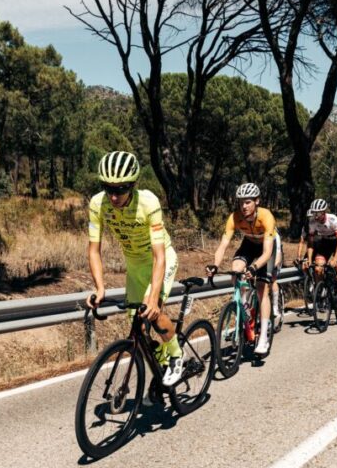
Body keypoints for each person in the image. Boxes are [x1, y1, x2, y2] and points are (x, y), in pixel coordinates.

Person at [86, 151, 184, 387]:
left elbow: (160, 256)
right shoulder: (97, 204)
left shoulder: (148, 202)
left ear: (133, 185)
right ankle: (158, 368)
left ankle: (177, 355)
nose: (113, 195)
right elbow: (93, 250)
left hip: (160, 261)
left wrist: (153, 298)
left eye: (120, 189)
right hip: (134, 266)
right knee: (137, 325)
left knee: (154, 312)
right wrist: (100, 288)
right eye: (108, 187)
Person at [206, 183, 277, 355]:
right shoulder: (235, 217)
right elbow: (223, 245)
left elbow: (267, 252)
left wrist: (254, 267)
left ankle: (263, 338)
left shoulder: (266, 217)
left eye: (247, 202)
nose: (243, 206)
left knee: (261, 288)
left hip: (267, 248)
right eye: (241, 202)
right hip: (249, 244)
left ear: (257, 201)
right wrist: (214, 265)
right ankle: (244, 306)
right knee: (236, 269)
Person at [302, 198, 337, 313]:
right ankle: (321, 290)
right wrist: (308, 259)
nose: (315, 216)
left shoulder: (333, 220)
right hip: (325, 243)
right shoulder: (312, 222)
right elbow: (311, 243)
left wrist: (335, 259)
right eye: (313, 213)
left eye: (317, 213)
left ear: (323, 212)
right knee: (318, 268)